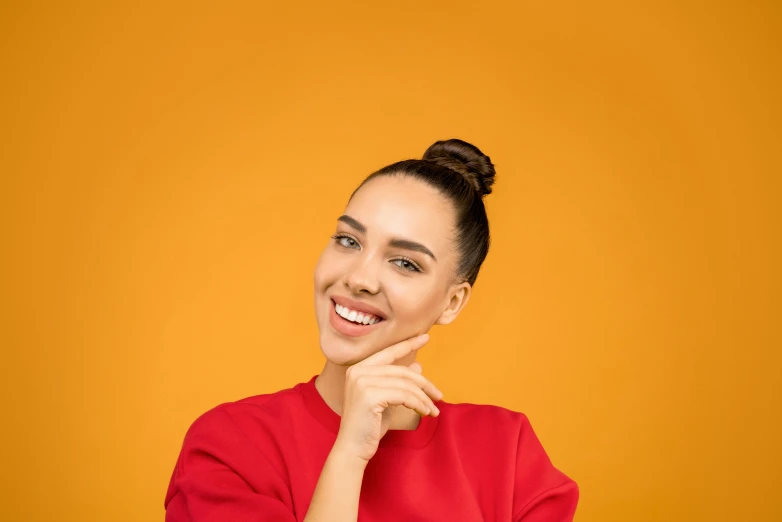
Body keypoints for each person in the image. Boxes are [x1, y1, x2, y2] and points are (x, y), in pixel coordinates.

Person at [164, 139, 579, 521]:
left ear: (452, 303)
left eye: (405, 263)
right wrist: (348, 455)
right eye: (348, 241)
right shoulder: (230, 446)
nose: (360, 279)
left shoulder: (507, 455)